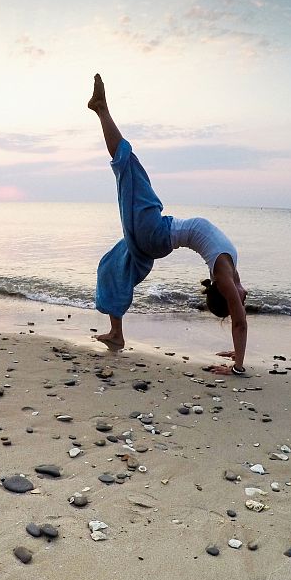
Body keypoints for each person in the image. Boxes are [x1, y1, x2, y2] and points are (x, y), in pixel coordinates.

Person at [88, 73, 248, 376]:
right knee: (112, 266)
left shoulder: (224, 275)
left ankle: (101, 109)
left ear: (226, 294)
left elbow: (240, 321)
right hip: (154, 238)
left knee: (129, 169)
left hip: (156, 232)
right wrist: (236, 350)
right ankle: (116, 333)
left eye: (235, 301)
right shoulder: (230, 268)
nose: (244, 299)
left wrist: (237, 366)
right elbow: (238, 321)